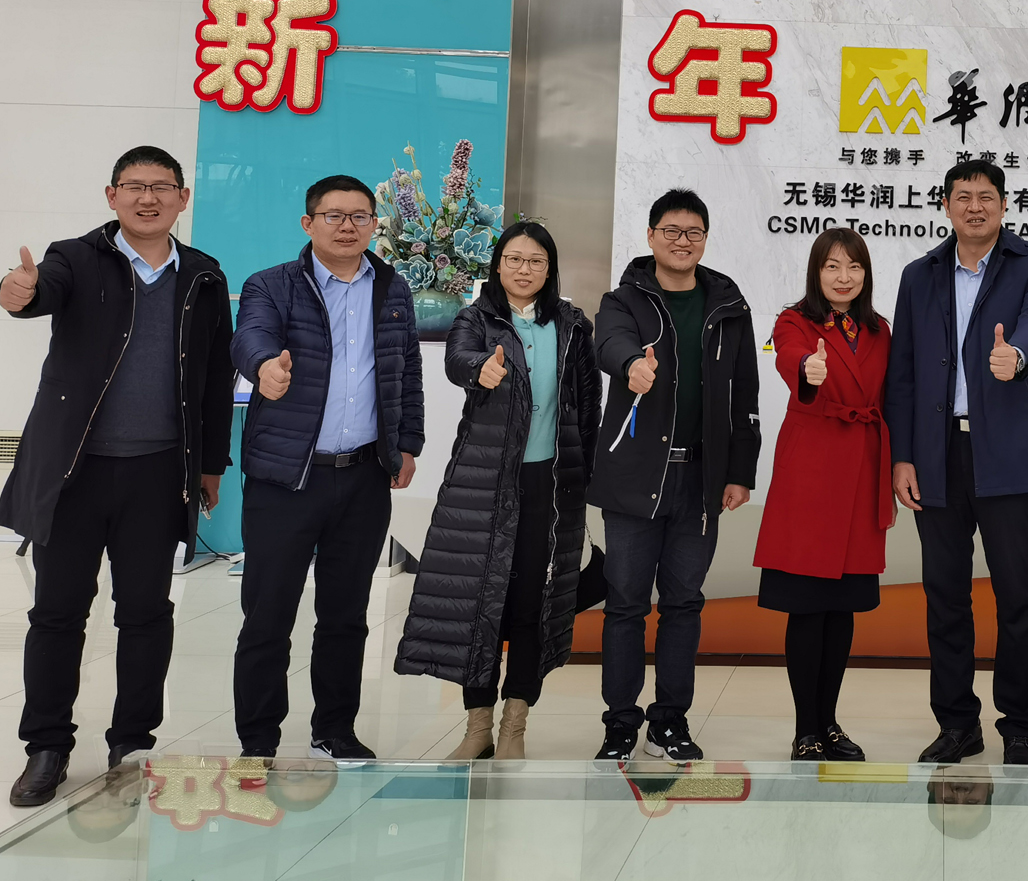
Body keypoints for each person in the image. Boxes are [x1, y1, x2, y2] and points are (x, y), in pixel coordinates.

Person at [0, 147, 233, 807]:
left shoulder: (204, 275)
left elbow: (216, 375)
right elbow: (38, 292)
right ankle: (46, 747)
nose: (147, 198)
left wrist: (210, 465)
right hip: (74, 472)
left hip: (158, 475)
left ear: (182, 199)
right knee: (57, 614)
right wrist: (19, 293)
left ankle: (131, 744)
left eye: (161, 187)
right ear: (112, 196)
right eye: (134, 186)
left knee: (146, 614)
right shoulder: (74, 258)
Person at [230, 174, 424, 761]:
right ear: (308, 223)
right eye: (334, 215)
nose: (347, 226)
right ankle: (258, 742)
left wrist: (408, 443)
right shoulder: (271, 284)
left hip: (363, 475)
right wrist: (265, 366)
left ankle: (334, 731)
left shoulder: (391, 287)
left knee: (345, 615)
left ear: (374, 225)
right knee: (268, 615)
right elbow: (250, 336)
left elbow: (406, 369)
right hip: (287, 476)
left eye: (360, 216)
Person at [886, 159, 1028, 765]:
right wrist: (903, 456)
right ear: (945, 205)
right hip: (936, 456)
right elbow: (903, 371)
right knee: (945, 596)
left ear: (1003, 205)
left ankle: (1019, 726)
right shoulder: (920, 275)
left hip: (1007, 454)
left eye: (986, 197)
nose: (974, 207)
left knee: (1018, 594)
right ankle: (957, 723)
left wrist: (1018, 353)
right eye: (962, 196)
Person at [394, 221, 601, 760]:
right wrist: (479, 370)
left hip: (550, 483)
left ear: (549, 270)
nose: (524, 269)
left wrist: (587, 472)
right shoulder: (476, 319)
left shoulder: (572, 326)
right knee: (478, 603)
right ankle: (477, 727)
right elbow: (456, 360)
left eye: (535, 261)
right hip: (483, 480)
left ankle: (515, 725)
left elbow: (588, 405)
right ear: (498, 264)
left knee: (534, 602)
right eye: (514, 259)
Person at [590, 188, 759, 763]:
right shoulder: (624, 299)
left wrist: (740, 472)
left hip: (701, 481)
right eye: (671, 231)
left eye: (693, 233)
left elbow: (745, 394)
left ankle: (670, 721)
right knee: (626, 604)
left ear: (704, 239)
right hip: (635, 478)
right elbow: (609, 342)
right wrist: (631, 365)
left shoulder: (728, 306)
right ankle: (620, 723)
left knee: (684, 603)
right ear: (651, 236)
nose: (682, 241)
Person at [754, 227, 894, 762]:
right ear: (816, 272)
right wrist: (807, 371)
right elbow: (789, 357)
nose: (843, 277)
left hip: (862, 473)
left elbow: (894, 394)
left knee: (842, 609)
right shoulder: (794, 321)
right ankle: (805, 730)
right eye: (832, 266)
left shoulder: (879, 329)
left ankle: (830, 723)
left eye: (854, 266)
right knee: (808, 608)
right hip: (811, 476)